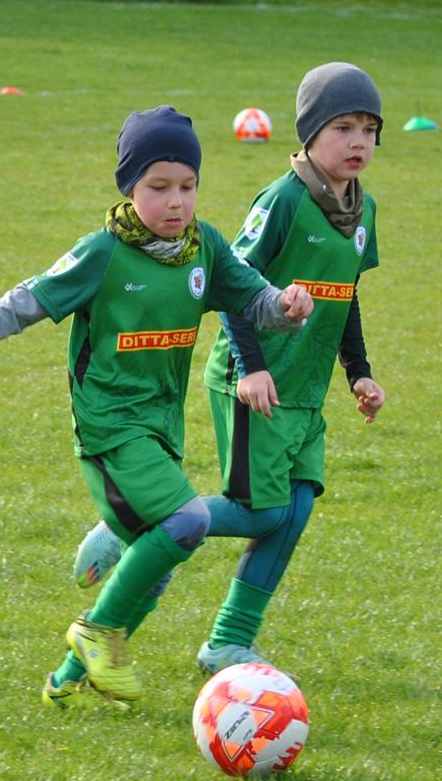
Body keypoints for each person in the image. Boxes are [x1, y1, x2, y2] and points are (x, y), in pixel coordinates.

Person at [0, 107, 312, 707]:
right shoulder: (103, 253)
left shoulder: (204, 247)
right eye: (158, 187)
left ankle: (64, 681)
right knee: (188, 522)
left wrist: (286, 306)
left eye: (187, 186)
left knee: (156, 566)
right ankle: (96, 631)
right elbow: (28, 299)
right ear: (129, 187)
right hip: (109, 427)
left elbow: (254, 301)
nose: (175, 201)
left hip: (161, 427)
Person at [73, 64, 387, 676]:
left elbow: (345, 296)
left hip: (306, 390)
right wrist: (251, 366)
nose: (358, 142)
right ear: (309, 132)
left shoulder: (363, 210)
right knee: (263, 509)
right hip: (255, 384)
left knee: (296, 509)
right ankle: (138, 523)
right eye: (343, 127)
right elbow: (233, 284)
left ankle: (228, 641)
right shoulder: (283, 201)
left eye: (369, 131)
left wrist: (359, 373)